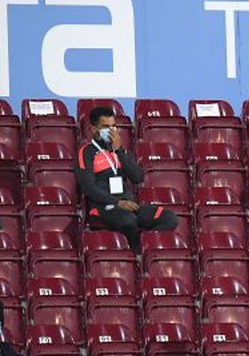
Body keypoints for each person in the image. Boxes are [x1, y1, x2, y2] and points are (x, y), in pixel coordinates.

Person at [76, 107, 178, 251]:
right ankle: (136, 255)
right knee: (128, 221)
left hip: (128, 205)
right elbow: (88, 188)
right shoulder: (86, 152)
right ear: (93, 130)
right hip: (103, 208)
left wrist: (120, 150)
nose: (111, 131)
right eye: (105, 127)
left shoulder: (118, 150)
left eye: (113, 126)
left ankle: (144, 249)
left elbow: (138, 177)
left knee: (169, 218)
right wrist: (117, 202)